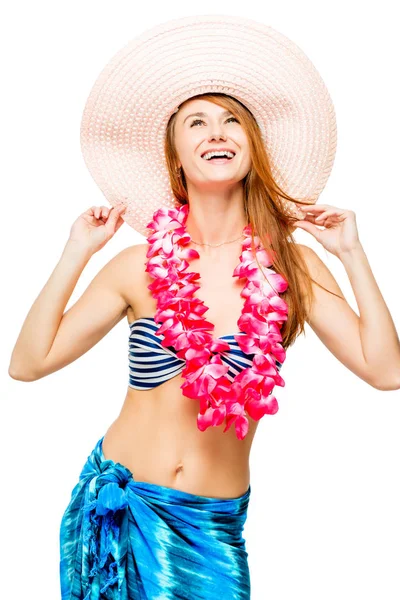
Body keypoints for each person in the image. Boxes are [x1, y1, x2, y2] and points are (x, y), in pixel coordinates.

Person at [8, 14, 400, 600]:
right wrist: (76, 251)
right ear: (176, 156)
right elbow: (28, 362)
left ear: (251, 146)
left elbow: (386, 371)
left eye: (231, 121)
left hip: (210, 529)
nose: (217, 132)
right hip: (119, 507)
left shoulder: (292, 268)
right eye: (197, 122)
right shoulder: (138, 266)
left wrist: (352, 253)